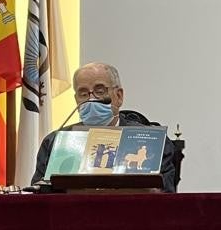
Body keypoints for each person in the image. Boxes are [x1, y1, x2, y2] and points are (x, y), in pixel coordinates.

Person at [30, 62, 178, 192]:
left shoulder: (155, 142)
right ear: (76, 100)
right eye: (83, 94)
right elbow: (40, 195)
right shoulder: (55, 142)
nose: (91, 99)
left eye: (100, 91)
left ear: (119, 96)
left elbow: (166, 194)